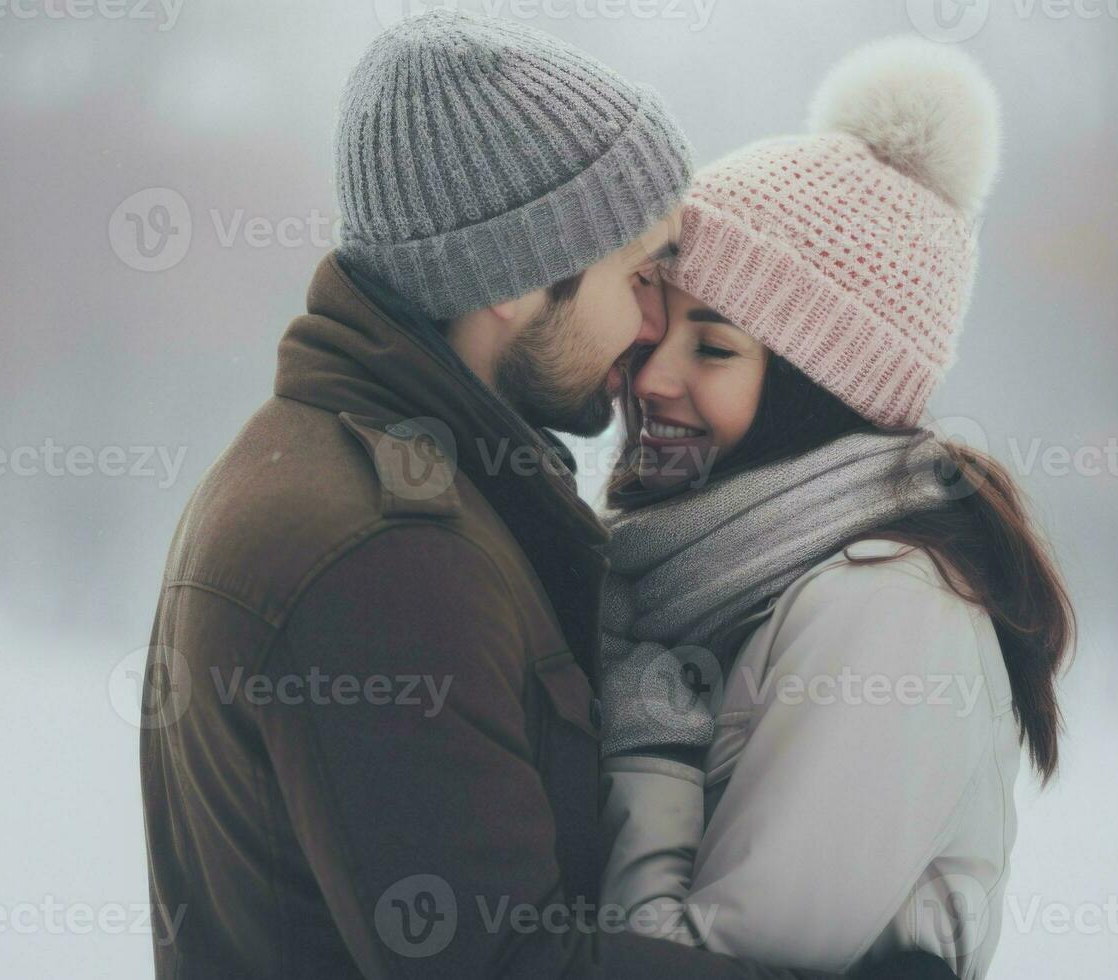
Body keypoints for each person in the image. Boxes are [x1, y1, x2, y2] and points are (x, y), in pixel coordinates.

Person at [140, 10, 957, 979]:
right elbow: (505, 962)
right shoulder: (382, 553)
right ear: (515, 278)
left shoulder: (365, 481)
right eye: (642, 272)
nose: (655, 320)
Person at [596, 38, 1074, 980]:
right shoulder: (722, 576)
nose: (650, 377)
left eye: (714, 348)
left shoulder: (885, 608)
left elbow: (725, 964)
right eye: (656, 327)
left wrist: (648, 756)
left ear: (819, 389)